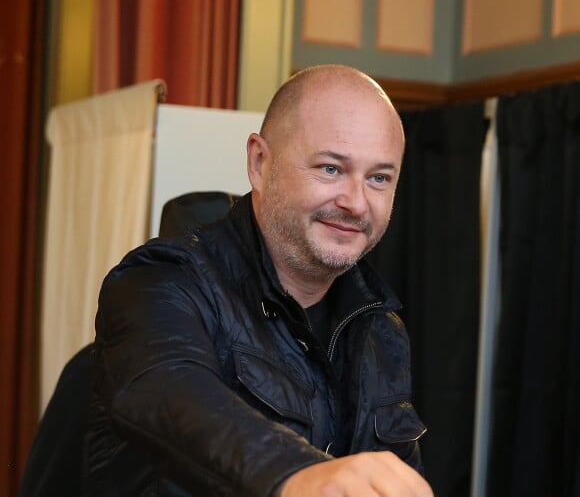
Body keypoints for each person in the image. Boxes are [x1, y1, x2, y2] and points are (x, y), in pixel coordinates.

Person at [86, 64, 433, 496]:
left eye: (379, 178)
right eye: (330, 169)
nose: (356, 203)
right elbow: (169, 390)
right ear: (259, 162)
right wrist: (296, 474)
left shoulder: (383, 331)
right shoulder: (159, 283)